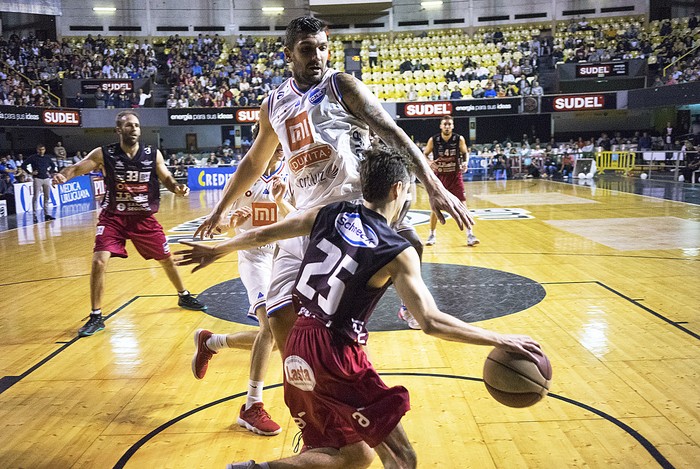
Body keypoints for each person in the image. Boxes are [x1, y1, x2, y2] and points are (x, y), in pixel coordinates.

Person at [177, 144, 541, 469]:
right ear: (398, 189)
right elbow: (430, 321)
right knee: (401, 457)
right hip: (335, 355)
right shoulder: (394, 250)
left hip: (296, 343)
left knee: (353, 455)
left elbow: (264, 234)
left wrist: (218, 249)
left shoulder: (329, 212)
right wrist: (499, 338)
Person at [193, 16, 473, 356]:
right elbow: (254, 162)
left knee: (393, 262)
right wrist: (220, 208)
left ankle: (405, 302)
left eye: (323, 48)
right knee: (280, 327)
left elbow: (391, 132)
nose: (317, 56)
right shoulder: (273, 103)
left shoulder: (341, 85)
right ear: (288, 55)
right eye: (307, 49)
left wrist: (433, 185)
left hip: (351, 213)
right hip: (307, 216)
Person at [51, 110, 207, 337]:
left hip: (143, 217)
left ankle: (183, 295)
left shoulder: (152, 153)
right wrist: (64, 176)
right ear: (118, 130)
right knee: (98, 262)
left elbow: (166, 178)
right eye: (128, 125)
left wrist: (178, 188)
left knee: (165, 259)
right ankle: (96, 316)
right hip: (113, 217)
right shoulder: (104, 153)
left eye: (136, 125)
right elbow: (76, 168)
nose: (133, 128)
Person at [192, 131, 293, 438]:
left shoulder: (292, 171)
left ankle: (211, 343)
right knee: (268, 329)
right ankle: (252, 406)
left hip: (284, 256)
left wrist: (280, 202)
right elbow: (221, 224)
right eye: (270, 143)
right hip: (254, 257)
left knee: (277, 339)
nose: (276, 149)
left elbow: (300, 217)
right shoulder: (243, 176)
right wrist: (230, 223)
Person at [422, 116, 479, 247]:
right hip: (439, 178)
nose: (447, 126)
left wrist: (465, 162)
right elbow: (424, 154)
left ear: (452, 126)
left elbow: (465, 153)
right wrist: (430, 162)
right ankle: (432, 234)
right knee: (435, 208)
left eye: (449, 124)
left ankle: (470, 234)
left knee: (463, 206)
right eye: (445, 124)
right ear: (441, 126)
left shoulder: (459, 139)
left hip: (455, 176)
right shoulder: (434, 140)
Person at [21, 143, 57, 223]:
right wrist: (30, 173)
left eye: (43, 149)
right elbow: (23, 165)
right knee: (36, 197)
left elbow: (53, 166)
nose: (41, 151)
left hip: (46, 178)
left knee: (47, 196)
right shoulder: (33, 157)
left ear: (45, 150)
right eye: (40, 150)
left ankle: (46, 214)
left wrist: (50, 172)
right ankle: (35, 215)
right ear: (37, 150)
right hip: (37, 179)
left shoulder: (47, 158)